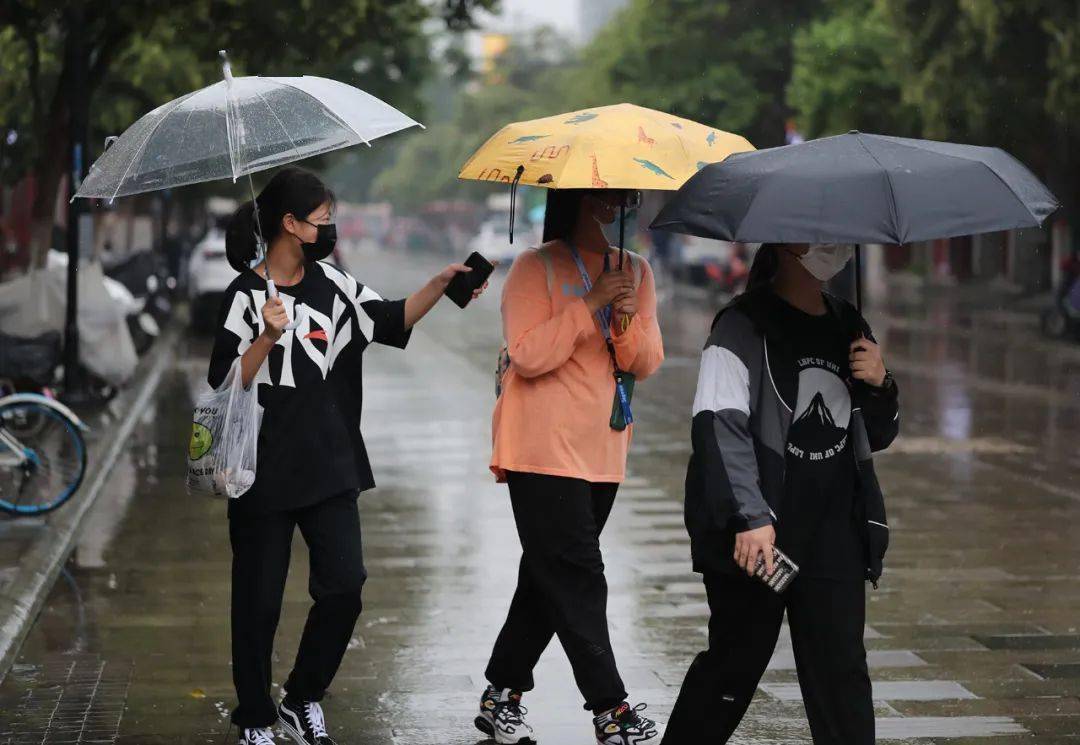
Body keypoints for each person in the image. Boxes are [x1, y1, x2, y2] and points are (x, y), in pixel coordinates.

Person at [207, 167, 488, 745]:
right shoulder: (243, 296)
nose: (330, 230)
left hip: (330, 465)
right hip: (258, 470)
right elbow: (223, 384)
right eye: (323, 221)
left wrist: (439, 284)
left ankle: (303, 695)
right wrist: (264, 336)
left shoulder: (334, 284)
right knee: (257, 602)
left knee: (344, 587)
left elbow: (388, 319)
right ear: (291, 225)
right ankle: (256, 717)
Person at [661, 243, 899, 745]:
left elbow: (877, 434)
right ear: (790, 246)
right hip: (765, 536)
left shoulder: (849, 324)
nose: (834, 248)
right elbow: (717, 426)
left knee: (842, 676)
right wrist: (750, 516)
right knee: (732, 667)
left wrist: (880, 382)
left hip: (834, 534)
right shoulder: (741, 325)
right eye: (821, 238)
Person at [476, 188, 665, 745]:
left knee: (546, 577)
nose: (622, 201)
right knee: (579, 575)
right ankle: (612, 709)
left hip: (601, 449)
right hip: (539, 447)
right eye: (609, 192)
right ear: (581, 195)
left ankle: (501, 694)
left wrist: (626, 315)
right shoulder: (535, 268)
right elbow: (529, 354)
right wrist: (589, 304)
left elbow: (646, 362)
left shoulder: (637, 270)